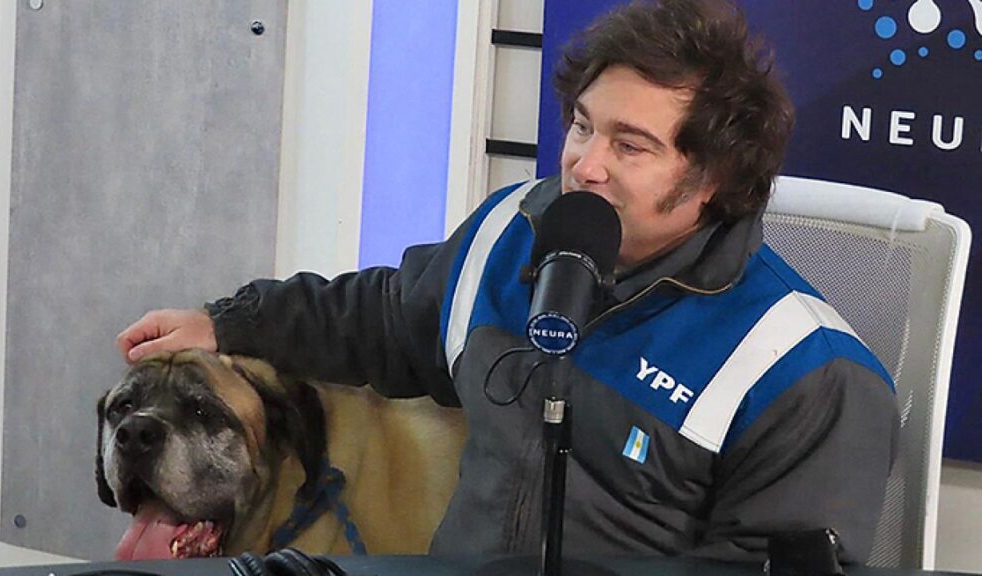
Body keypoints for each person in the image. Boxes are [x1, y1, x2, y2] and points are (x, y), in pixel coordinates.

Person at [117, 0, 897, 563]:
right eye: (583, 126)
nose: (585, 165)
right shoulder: (511, 232)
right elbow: (386, 318)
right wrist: (229, 322)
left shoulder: (809, 378)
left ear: (714, 179)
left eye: (630, 145)